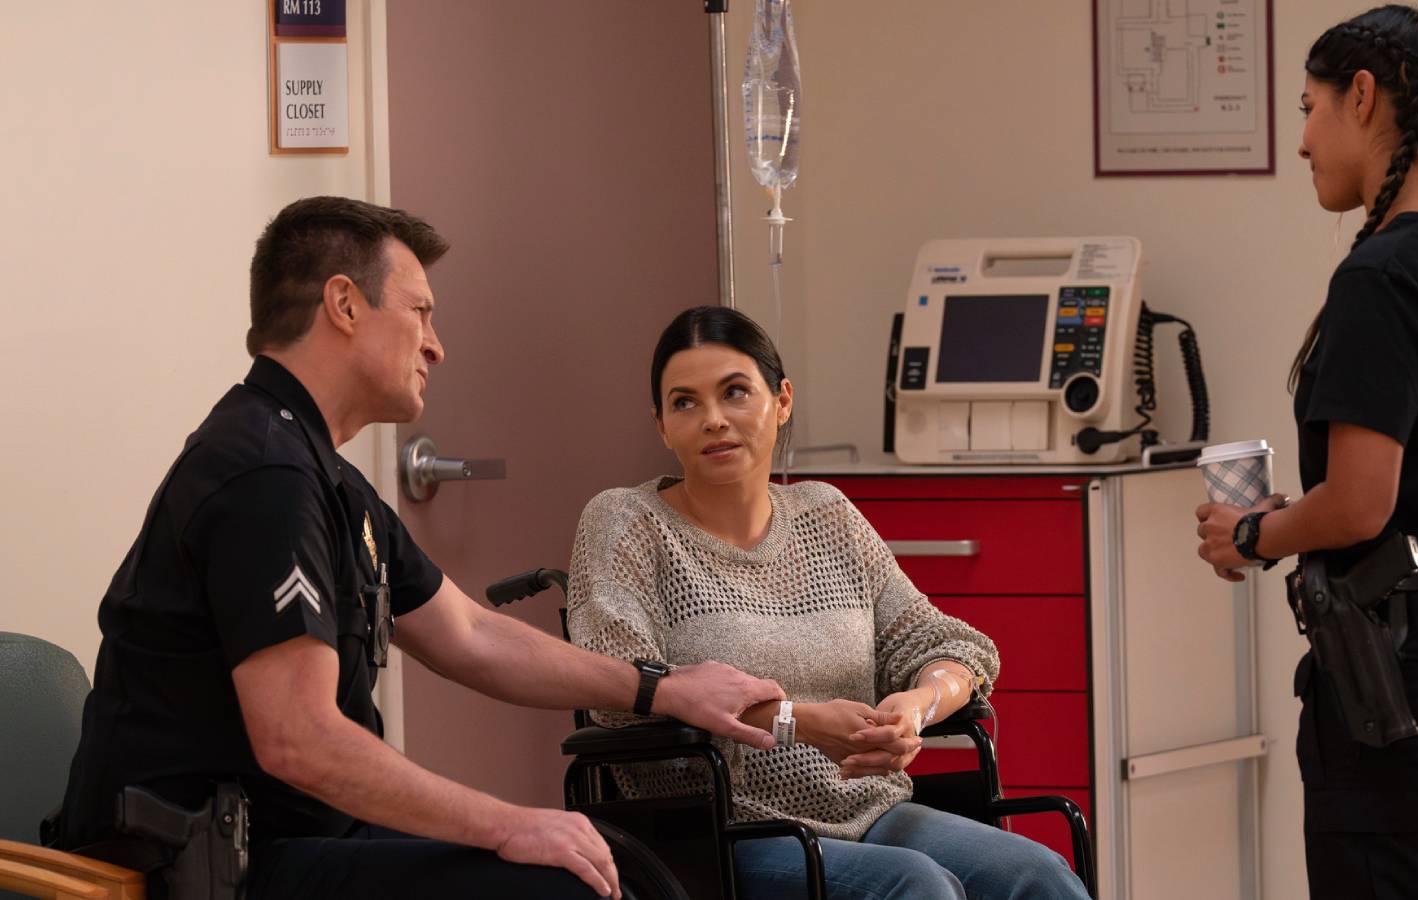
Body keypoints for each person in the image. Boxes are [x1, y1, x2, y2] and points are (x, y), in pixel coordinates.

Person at [55, 196, 786, 900]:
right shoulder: (264, 475)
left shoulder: (324, 477)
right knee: (570, 883)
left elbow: (470, 635)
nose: (436, 344)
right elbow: (299, 741)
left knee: (614, 869)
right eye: (420, 312)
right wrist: (510, 824)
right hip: (211, 868)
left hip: (295, 840)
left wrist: (662, 687)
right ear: (345, 305)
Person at [1195, 7, 1418, 899]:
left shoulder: (1381, 275)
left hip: (1413, 669)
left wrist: (1251, 536)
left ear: (1362, 98)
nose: (1304, 142)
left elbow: (1361, 504)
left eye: (1309, 109)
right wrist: (1292, 518)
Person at [565, 305, 1089, 900]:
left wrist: (917, 706)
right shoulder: (626, 521)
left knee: (1038, 873)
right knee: (917, 886)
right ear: (661, 425)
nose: (713, 419)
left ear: (781, 400)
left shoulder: (827, 514)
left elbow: (947, 644)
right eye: (685, 402)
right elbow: (619, 689)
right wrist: (799, 723)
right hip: (716, 831)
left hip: (871, 810)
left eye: (735, 392)